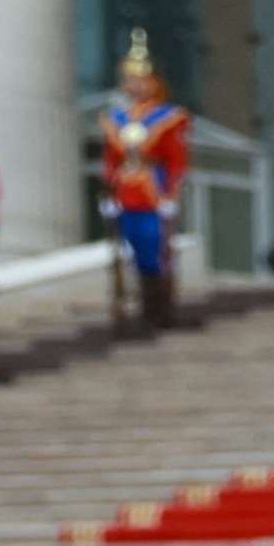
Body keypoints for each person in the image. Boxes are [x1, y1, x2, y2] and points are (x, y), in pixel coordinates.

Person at [95, 36, 190, 328]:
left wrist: (170, 195)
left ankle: (160, 308)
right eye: (131, 79)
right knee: (130, 250)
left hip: (153, 189)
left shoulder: (169, 117)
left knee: (156, 250)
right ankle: (139, 307)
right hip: (125, 191)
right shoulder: (117, 119)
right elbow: (111, 160)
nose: (136, 86)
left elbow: (176, 159)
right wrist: (109, 193)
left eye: (142, 79)